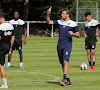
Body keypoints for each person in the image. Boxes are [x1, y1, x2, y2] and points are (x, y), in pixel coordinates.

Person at [46, 6, 80, 86]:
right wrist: (48, 14)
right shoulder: (60, 21)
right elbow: (49, 22)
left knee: (65, 61)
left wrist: (74, 34)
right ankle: (68, 80)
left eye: (63, 13)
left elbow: (78, 35)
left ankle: (64, 79)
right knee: (62, 63)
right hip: (59, 45)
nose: (61, 15)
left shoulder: (73, 23)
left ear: (67, 15)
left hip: (67, 45)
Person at [0, 14, 15, 88]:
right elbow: (13, 38)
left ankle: (5, 84)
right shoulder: (11, 26)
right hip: (7, 47)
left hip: (1, 48)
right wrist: (10, 48)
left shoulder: (0, 27)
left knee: (1, 66)